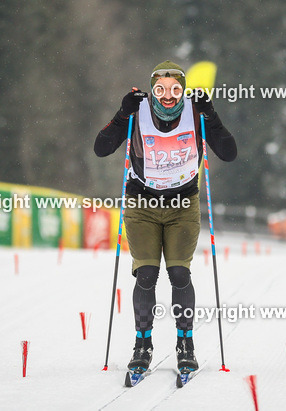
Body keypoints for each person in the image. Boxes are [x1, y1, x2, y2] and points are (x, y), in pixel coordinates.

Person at [93, 61, 237, 377]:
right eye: (160, 89)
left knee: (179, 274)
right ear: (152, 90)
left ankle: (186, 346)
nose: (168, 96)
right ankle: (142, 346)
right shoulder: (137, 111)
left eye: (175, 89)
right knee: (145, 274)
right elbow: (101, 148)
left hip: (183, 205)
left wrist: (210, 115)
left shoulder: (195, 112)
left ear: (183, 90)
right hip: (142, 203)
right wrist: (121, 114)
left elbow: (228, 152)